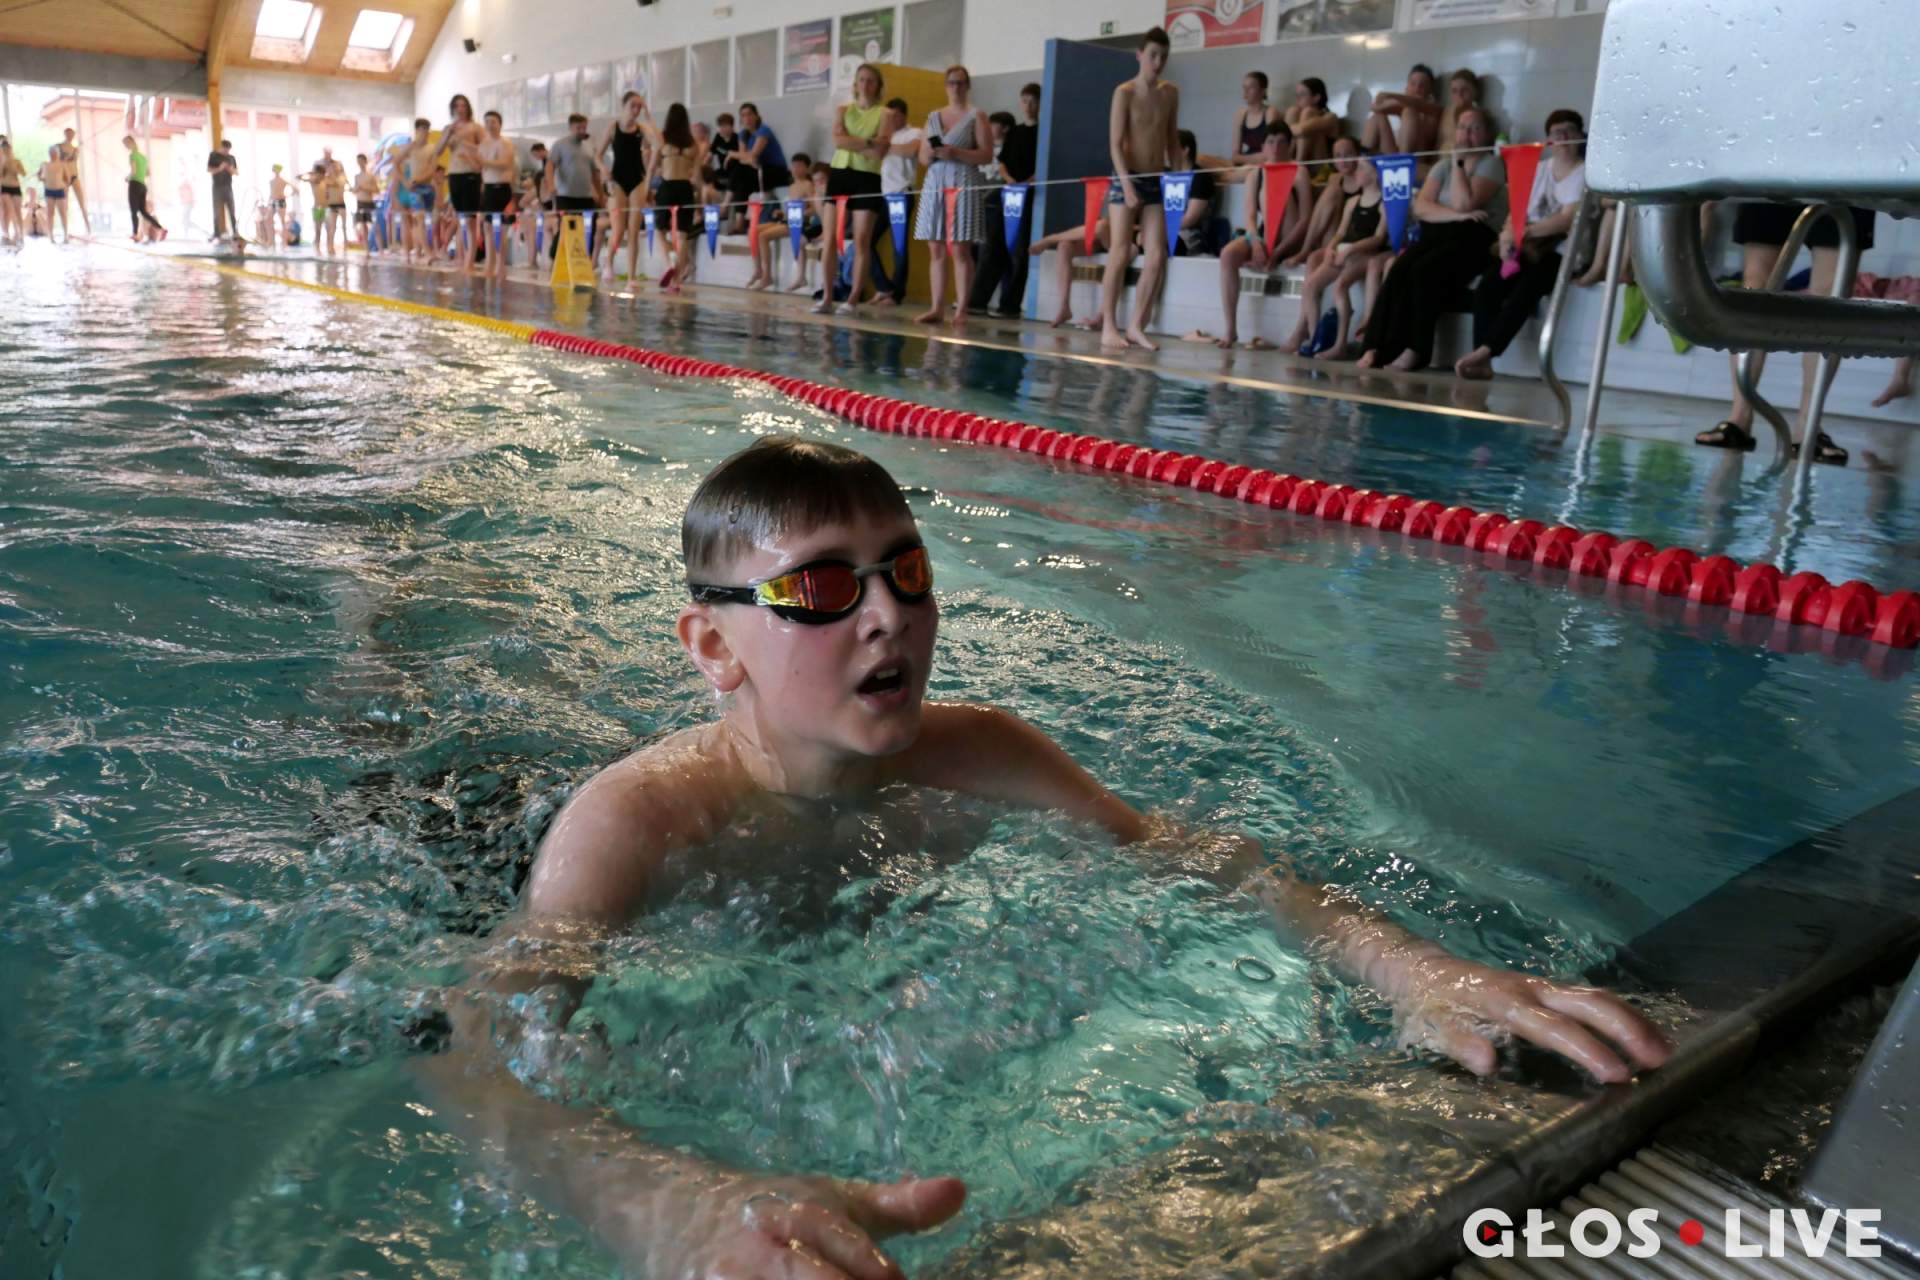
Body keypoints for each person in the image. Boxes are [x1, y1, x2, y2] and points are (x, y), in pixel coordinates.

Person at [418, 434, 1671, 1280]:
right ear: (713, 645)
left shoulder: (981, 754)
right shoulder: (632, 823)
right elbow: (474, 1059)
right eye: (823, 589)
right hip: (472, 836)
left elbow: (1200, 860)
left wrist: (1412, 967)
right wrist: (667, 1206)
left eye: (906, 573)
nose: (888, 614)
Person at [1694, 200, 1876, 464]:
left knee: (1831, 295)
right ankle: (1739, 417)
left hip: (1848, 179)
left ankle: (1808, 426)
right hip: (1777, 178)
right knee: (1756, 287)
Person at [1355, 107, 1506, 372]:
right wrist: (1457, 216)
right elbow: (1422, 207)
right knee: (1399, 269)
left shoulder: (1491, 163)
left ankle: (1416, 350)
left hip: (1473, 238)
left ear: (1486, 134)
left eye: (1475, 128)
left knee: (1423, 272)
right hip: (1439, 232)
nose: (1467, 134)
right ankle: (1375, 346)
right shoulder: (1442, 165)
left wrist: (1459, 166)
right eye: (1463, 127)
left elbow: (1465, 202)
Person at [1454, 110, 1588, 382]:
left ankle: (1486, 352)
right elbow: (1517, 210)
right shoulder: (1539, 169)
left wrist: (1522, 233)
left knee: (1527, 289)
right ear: (1548, 139)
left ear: (1580, 137)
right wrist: (1507, 237)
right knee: (1489, 285)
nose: (1563, 137)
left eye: (1569, 131)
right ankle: (1482, 360)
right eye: (1556, 132)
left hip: (1563, 251)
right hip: (1527, 245)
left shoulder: (1585, 173)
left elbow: (1565, 220)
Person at [1186, 128, 1312, 349]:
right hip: (1264, 234)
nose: (1276, 148)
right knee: (1228, 254)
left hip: (1290, 236)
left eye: (1281, 142)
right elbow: (1250, 216)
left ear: (1290, 145)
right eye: (1271, 142)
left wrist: (1277, 252)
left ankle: (1272, 249)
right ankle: (1230, 329)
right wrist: (1255, 243)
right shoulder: (1256, 174)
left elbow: (1305, 220)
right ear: (1263, 147)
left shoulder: (1299, 172)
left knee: (1279, 195)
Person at [1100, 27, 1180, 352]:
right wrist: (1126, 184)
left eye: (1163, 57)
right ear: (1139, 55)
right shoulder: (1125, 92)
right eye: (1152, 56)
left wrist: (1179, 179)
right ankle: (1108, 325)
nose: (1158, 63)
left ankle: (1136, 325)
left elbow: (1172, 140)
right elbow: (1115, 144)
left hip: (1157, 179)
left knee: (1157, 254)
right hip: (1127, 176)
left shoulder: (1170, 93)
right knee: (1120, 251)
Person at [1283, 141, 1387, 356]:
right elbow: (1340, 232)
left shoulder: (1385, 203)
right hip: (1343, 251)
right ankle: (1315, 338)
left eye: (1361, 168)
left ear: (1375, 174)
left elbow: (1378, 238)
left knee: (1340, 287)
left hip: (1363, 254)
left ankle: (1340, 345)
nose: (1356, 171)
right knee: (1310, 286)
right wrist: (1331, 248)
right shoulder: (1353, 202)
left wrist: (1350, 250)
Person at [912, 66, 993, 327]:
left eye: (960, 83)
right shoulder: (933, 116)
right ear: (946, 86)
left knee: (960, 247)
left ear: (967, 86)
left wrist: (956, 153)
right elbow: (922, 157)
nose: (955, 87)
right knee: (935, 246)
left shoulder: (976, 115)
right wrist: (933, 152)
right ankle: (936, 307)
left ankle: (962, 309)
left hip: (963, 180)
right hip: (936, 180)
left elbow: (986, 155)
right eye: (951, 83)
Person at [819, 64, 894, 315]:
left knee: (862, 239)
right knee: (830, 237)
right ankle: (827, 296)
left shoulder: (885, 114)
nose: (865, 85)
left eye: (871, 80)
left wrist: (853, 142)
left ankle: (852, 298)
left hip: (867, 177)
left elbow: (880, 151)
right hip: (840, 173)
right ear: (855, 83)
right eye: (861, 79)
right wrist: (869, 141)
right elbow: (838, 141)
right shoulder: (843, 110)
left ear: (878, 85)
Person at [968, 98, 1040, 318]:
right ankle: (977, 300)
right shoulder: (1015, 133)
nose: (1028, 106)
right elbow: (1002, 162)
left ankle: (1010, 304)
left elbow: (1043, 165)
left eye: (1033, 101)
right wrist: (1010, 181)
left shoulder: (1043, 133)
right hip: (1008, 194)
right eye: (1024, 101)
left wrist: (1026, 183)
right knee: (992, 247)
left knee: (1019, 252)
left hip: (1028, 196)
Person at [632, 101, 700, 293]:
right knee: (682, 234)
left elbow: (651, 168)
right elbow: (697, 175)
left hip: (668, 187)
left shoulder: (662, 139)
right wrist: (699, 197)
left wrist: (646, 190)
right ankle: (676, 281)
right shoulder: (693, 144)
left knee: (659, 228)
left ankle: (669, 259)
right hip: (685, 188)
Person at [599, 92, 650, 282]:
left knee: (633, 232)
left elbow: (658, 143)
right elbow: (598, 155)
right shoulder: (613, 128)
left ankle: (631, 277)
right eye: (633, 106)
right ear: (624, 105)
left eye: (639, 107)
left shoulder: (642, 129)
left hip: (637, 180)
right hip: (618, 181)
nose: (636, 110)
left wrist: (648, 115)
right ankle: (608, 262)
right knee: (619, 230)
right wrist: (603, 168)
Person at [434, 94, 486, 272]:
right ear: (453, 108)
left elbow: (485, 148)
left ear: (468, 108)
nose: (460, 109)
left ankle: (469, 260)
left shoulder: (475, 127)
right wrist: (448, 133)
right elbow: (438, 151)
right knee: (459, 218)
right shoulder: (449, 129)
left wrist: (467, 147)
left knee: (470, 219)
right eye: (457, 106)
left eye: (463, 105)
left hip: (471, 173)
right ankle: (461, 256)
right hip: (454, 174)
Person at [545, 112, 604, 268]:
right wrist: (551, 185)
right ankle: (554, 257)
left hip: (586, 196)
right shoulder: (560, 145)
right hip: (566, 196)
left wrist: (600, 194)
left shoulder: (589, 146)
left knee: (589, 229)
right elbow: (550, 166)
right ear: (571, 127)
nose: (582, 131)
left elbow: (595, 173)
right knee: (567, 228)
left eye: (584, 127)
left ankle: (583, 261)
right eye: (579, 128)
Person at [1360, 64, 1440, 158]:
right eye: (1413, 84)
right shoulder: (1402, 106)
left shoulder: (1433, 108)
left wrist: (1390, 96)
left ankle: (1404, 159)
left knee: (1409, 111)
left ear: (1430, 90)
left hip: (1418, 158)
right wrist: (1400, 99)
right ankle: (1362, 159)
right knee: (1378, 117)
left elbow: (1415, 103)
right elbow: (1375, 107)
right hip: (1397, 155)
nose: (1417, 88)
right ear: (1406, 87)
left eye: (1422, 85)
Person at [390, 118, 440, 264]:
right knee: (419, 220)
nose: (425, 132)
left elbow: (433, 169)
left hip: (427, 187)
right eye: (422, 129)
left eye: (427, 129)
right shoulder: (410, 147)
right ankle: (428, 253)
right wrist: (405, 182)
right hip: (414, 189)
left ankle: (419, 252)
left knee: (424, 222)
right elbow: (395, 163)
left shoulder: (432, 148)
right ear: (417, 130)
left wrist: (419, 180)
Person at [475, 110, 517, 279]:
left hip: (502, 188)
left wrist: (484, 162)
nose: (490, 125)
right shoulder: (483, 144)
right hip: (488, 189)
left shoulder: (506, 143)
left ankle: (501, 266)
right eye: (487, 122)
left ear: (500, 124)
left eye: (493, 122)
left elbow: (505, 163)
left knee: (501, 229)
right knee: (487, 228)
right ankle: (489, 265)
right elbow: (479, 166)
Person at [1230, 71, 1284, 166]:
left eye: (1250, 87)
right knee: (1203, 159)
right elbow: (1235, 155)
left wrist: (1241, 159)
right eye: (1244, 87)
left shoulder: (1270, 112)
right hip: (1249, 161)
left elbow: (1269, 153)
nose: (1245, 91)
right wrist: (1243, 159)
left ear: (1262, 91)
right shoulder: (1241, 114)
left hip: (1264, 163)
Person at [1284, 77, 1340, 168]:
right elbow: (1286, 133)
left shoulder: (1330, 117)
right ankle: (1287, 158)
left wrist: (1285, 130)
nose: (1298, 98)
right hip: (1296, 156)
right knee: (1292, 110)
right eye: (1297, 95)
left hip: (1321, 164)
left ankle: (1298, 163)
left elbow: (1302, 130)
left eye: (1302, 94)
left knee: (1308, 113)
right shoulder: (1296, 112)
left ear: (1316, 98)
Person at [122, 134, 166, 243]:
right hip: (142, 186)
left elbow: (133, 172)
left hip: (135, 185)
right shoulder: (143, 157)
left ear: (129, 143)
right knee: (144, 212)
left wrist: (127, 178)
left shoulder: (133, 155)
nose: (125, 147)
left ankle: (135, 234)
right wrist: (140, 174)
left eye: (125, 145)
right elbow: (148, 173)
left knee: (133, 211)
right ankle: (161, 228)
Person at [56, 128, 90, 234]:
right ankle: (65, 230)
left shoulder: (75, 149)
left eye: (72, 134)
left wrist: (74, 154)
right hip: (64, 177)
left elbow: (74, 162)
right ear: (65, 134)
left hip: (74, 176)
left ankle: (88, 229)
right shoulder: (58, 147)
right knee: (64, 205)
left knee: (82, 202)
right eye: (68, 134)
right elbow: (56, 161)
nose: (70, 136)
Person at [207, 138, 238, 240]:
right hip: (217, 187)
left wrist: (229, 169)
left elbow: (236, 172)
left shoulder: (231, 158)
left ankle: (235, 232)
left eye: (228, 150)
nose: (226, 152)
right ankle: (217, 233)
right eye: (225, 150)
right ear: (221, 147)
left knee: (232, 210)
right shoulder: (214, 155)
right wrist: (220, 168)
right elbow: (209, 169)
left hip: (228, 187)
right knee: (216, 211)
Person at [39, 153, 72, 243]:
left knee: (63, 213)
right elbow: (41, 177)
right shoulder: (45, 164)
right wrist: (41, 177)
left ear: (57, 154)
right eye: (51, 153)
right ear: (49, 154)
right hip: (49, 191)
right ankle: (51, 236)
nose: (53, 155)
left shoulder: (62, 164)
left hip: (59, 190)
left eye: (54, 153)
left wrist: (65, 187)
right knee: (50, 214)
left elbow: (68, 179)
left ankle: (65, 235)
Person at [352, 153, 380, 249]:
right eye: (358, 162)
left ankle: (381, 250)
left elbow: (377, 190)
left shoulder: (371, 176)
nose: (359, 163)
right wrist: (356, 189)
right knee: (363, 227)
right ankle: (367, 250)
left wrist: (365, 187)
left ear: (365, 162)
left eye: (361, 161)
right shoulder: (357, 176)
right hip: (360, 203)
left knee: (375, 227)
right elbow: (354, 191)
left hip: (369, 203)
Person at [0, 138, 25, 247]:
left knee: (17, 211)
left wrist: (17, 170)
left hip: (16, 187)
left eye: (8, 149)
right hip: (5, 188)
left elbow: (23, 173)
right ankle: (7, 234)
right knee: (6, 211)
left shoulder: (17, 161)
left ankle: (20, 234)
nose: (6, 151)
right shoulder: (1, 161)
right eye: (4, 149)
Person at [268, 163, 294, 247]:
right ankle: (272, 242)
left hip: (281, 201)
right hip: (272, 201)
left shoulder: (282, 180)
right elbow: (271, 193)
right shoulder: (271, 181)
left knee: (282, 222)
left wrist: (285, 196)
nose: (274, 170)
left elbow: (295, 189)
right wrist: (268, 202)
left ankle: (284, 242)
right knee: (270, 221)